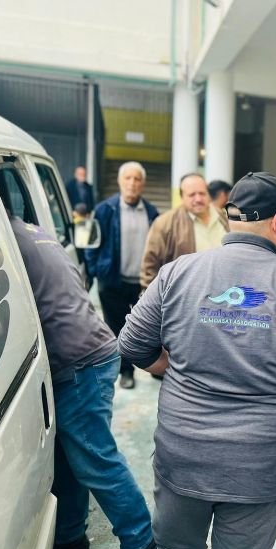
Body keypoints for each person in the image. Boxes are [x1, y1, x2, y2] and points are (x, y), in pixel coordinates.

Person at [117, 171, 276, 549]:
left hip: (184, 454)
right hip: (261, 464)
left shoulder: (178, 273)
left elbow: (131, 344)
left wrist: (171, 367)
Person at [10, 217, 155, 549]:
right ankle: (70, 534)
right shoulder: (33, 232)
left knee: (95, 457)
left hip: (79, 362)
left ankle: (141, 541)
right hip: (89, 350)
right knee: (71, 452)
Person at [85, 161, 158, 390]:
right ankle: (126, 371)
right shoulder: (104, 210)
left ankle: (154, 366)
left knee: (149, 327)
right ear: (119, 181)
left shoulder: (152, 212)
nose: (132, 183)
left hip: (143, 284)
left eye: (137, 179)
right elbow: (91, 244)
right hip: (113, 282)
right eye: (128, 178)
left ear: (143, 183)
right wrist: (97, 272)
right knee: (118, 329)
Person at [140, 173, 227, 289]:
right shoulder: (165, 224)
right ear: (182, 197)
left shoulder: (224, 217)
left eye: (202, 193)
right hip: (185, 295)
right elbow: (150, 266)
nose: (198, 199)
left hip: (224, 292)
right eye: (192, 195)